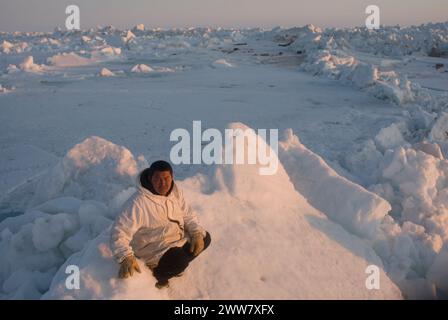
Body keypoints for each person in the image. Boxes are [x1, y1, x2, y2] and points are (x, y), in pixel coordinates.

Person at [110, 160, 211, 288]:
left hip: (174, 239)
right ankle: (158, 275)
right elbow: (118, 232)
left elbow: (187, 214)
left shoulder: (175, 191)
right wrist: (125, 257)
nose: (163, 183)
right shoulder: (138, 203)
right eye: (157, 179)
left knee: (205, 238)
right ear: (150, 178)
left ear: (172, 177)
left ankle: (172, 266)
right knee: (179, 260)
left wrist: (196, 232)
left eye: (166, 178)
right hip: (153, 249)